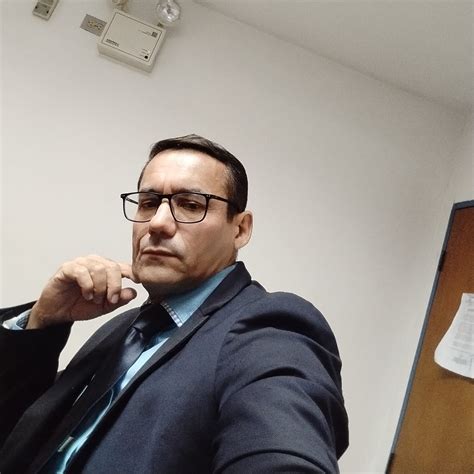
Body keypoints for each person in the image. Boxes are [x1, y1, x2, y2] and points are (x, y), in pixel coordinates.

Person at [0, 134, 348, 473]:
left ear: (240, 229)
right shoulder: (123, 329)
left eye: (191, 205)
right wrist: (42, 322)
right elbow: (20, 437)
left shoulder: (269, 327)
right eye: (149, 203)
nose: (158, 223)